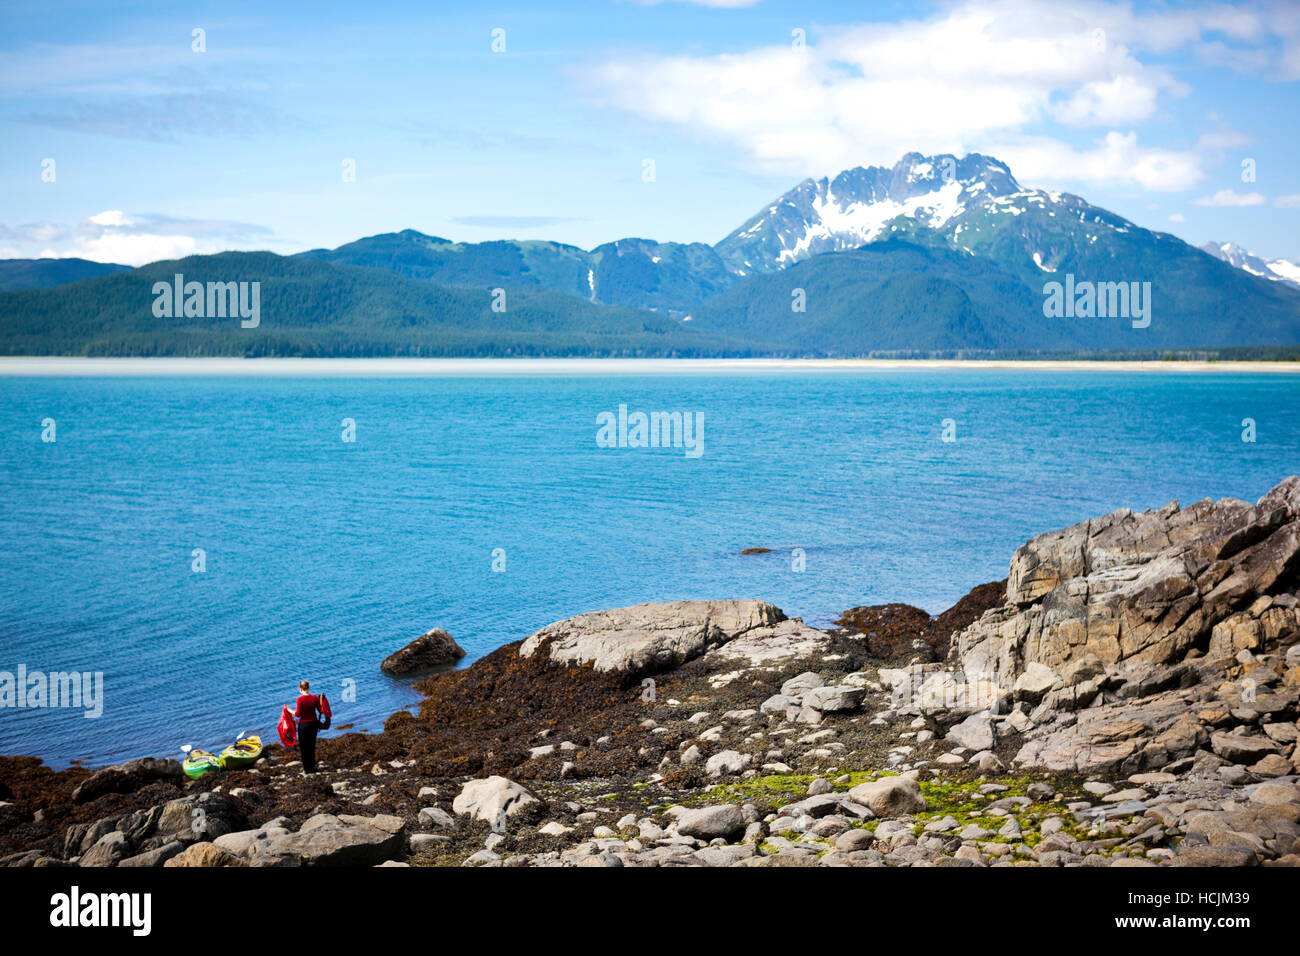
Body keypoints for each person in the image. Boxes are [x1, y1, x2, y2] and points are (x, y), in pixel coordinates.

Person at [291, 680, 322, 774]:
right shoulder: (315, 698)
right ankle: (312, 767)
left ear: (300, 689)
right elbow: (320, 710)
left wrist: (288, 710)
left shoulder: (300, 699)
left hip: (304, 725)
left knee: (304, 747)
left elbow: (298, 714)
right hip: (313, 724)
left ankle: (307, 769)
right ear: (308, 688)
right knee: (311, 746)